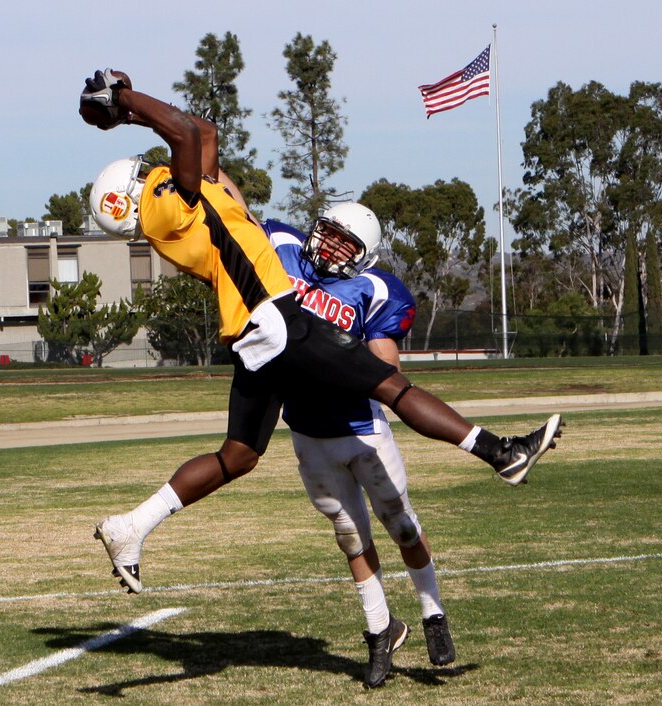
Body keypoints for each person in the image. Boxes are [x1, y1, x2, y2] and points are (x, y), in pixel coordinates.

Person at [79, 70, 562, 602]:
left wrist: (127, 106)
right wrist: (124, 100)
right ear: (132, 191)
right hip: (273, 317)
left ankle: (132, 526)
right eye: (143, 171)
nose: (155, 167)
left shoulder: (184, 201)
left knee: (237, 456)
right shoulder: (165, 210)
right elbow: (184, 137)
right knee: (388, 385)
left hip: (255, 330)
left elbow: (205, 133)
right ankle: (501, 452)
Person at [259, 206, 450, 687]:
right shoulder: (282, 248)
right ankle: (379, 632)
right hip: (305, 429)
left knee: (402, 525)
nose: (332, 246)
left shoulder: (373, 290)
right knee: (350, 537)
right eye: (329, 234)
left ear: (364, 256)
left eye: (347, 243)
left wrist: (340, 356)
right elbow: (231, 208)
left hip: (360, 428)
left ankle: (432, 613)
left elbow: (388, 373)